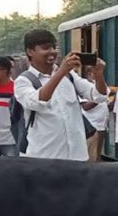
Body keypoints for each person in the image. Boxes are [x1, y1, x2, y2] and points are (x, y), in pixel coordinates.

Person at [14, 29, 109, 161]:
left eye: (54, 47)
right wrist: (61, 71)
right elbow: (38, 102)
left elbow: (99, 95)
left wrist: (98, 74)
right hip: (44, 158)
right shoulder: (23, 81)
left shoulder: (70, 76)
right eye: (46, 48)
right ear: (30, 51)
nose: (52, 52)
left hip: (77, 156)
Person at [80, 63, 110, 162]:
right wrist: (99, 99)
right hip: (93, 126)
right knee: (91, 154)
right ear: (89, 74)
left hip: (101, 125)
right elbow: (85, 106)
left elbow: (106, 99)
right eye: (95, 72)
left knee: (97, 154)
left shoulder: (98, 86)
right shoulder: (83, 86)